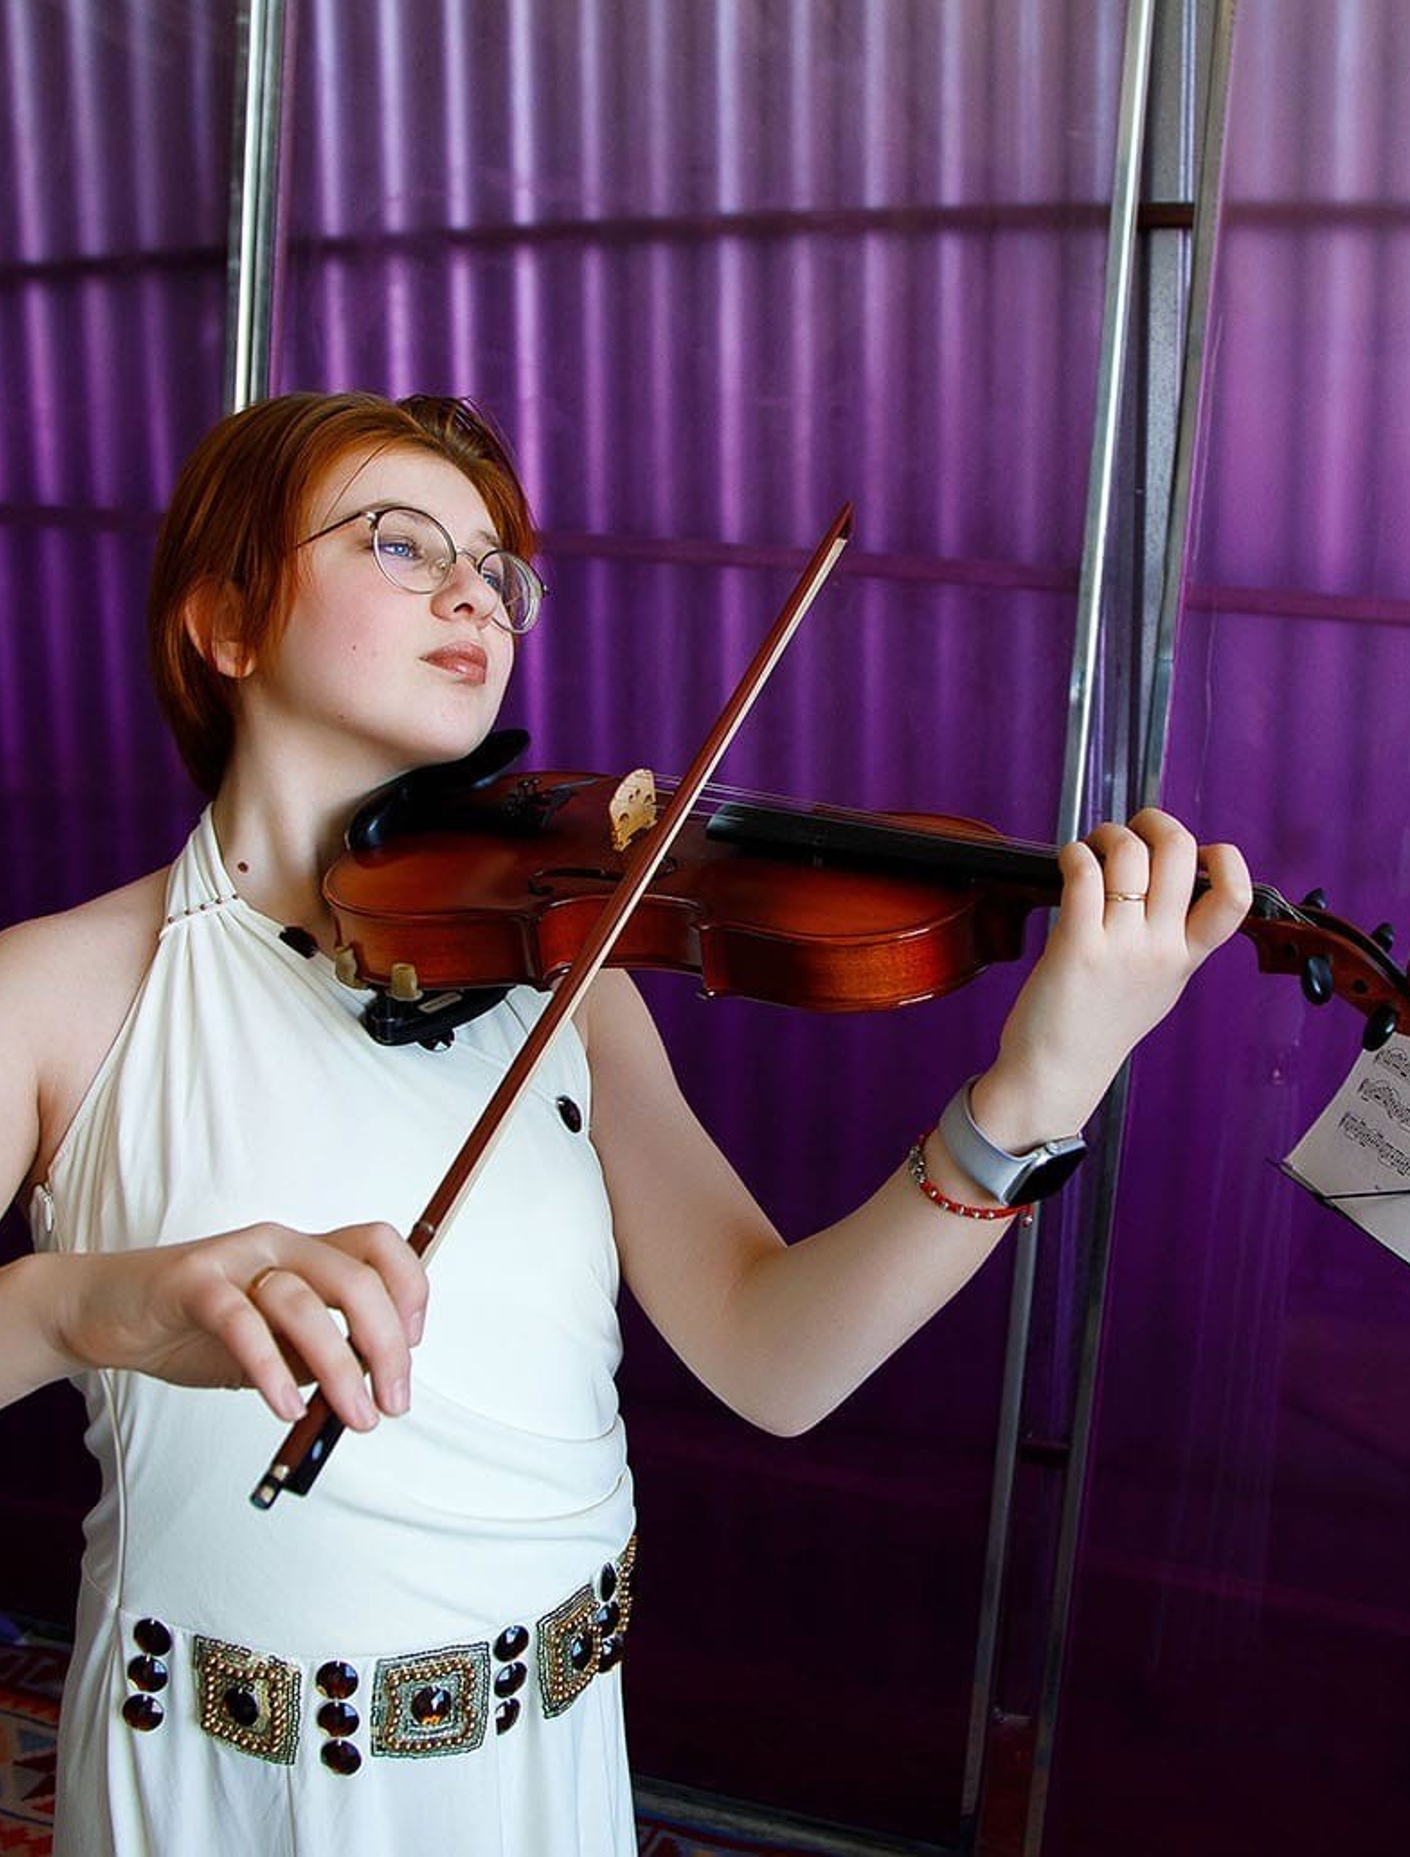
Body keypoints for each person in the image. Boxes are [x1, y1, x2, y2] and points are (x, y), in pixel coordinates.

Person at [0, 391, 1251, 1856]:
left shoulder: (569, 986)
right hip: (213, 1795)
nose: (478, 594)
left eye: (497, 568)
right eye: (400, 544)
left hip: (543, 1772)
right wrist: (87, 1306)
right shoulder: (60, 992)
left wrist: (1035, 1094)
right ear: (225, 622)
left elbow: (774, 1357)